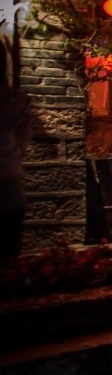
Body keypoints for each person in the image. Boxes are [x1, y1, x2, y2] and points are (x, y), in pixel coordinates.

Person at [0, 78, 30, 258]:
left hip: (9, 172)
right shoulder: (16, 100)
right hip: (9, 171)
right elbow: (23, 138)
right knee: (9, 242)